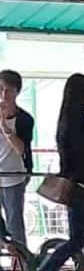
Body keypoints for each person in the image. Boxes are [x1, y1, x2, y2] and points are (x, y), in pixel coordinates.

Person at [17, 74, 84, 271]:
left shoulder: (69, 122)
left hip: (78, 189)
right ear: (82, 94)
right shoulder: (78, 127)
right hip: (82, 189)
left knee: (78, 240)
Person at [0, 69, 34, 249]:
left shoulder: (24, 119)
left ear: (17, 91)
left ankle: (22, 261)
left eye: (8, 90)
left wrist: (4, 127)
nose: (4, 94)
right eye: (0, 89)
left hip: (14, 176)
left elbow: (21, 149)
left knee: (15, 224)